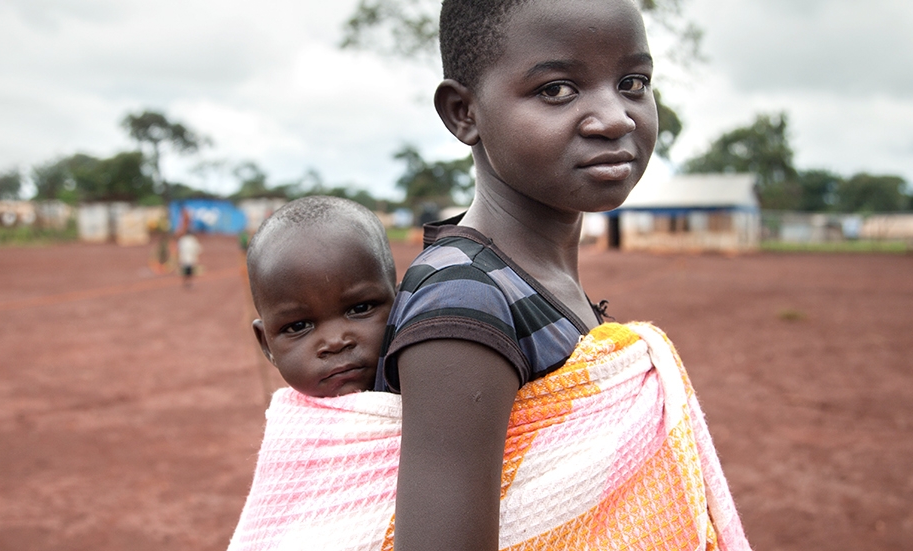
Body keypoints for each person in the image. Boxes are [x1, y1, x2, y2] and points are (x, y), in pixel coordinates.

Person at [380, 0, 686, 548]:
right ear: (463, 113)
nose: (615, 117)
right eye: (557, 90)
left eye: (633, 81)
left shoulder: (530, 278)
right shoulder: (465, 300)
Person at [247, 196, 396, 398]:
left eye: (360, 309)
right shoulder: (288, 427)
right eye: (298, 327)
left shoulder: (437, 392)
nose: (335, 342)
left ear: (400, 303)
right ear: (266, 344)